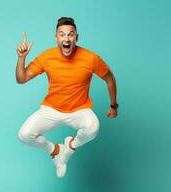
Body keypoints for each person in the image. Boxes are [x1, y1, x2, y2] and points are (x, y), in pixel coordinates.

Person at [15, 17, 118, 178]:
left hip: (79, 110)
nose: (66, 38)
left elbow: (110, 78)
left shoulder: (91, 58)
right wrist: (21, 58)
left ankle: (70, 146)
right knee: (24, 135)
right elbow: (21, 79)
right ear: (56, 38)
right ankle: (56, 151)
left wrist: (113, 106)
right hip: (51, 109)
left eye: (71, 34)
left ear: (76, 37)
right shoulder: (47, 57)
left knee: (93, 128)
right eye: (62, 35)